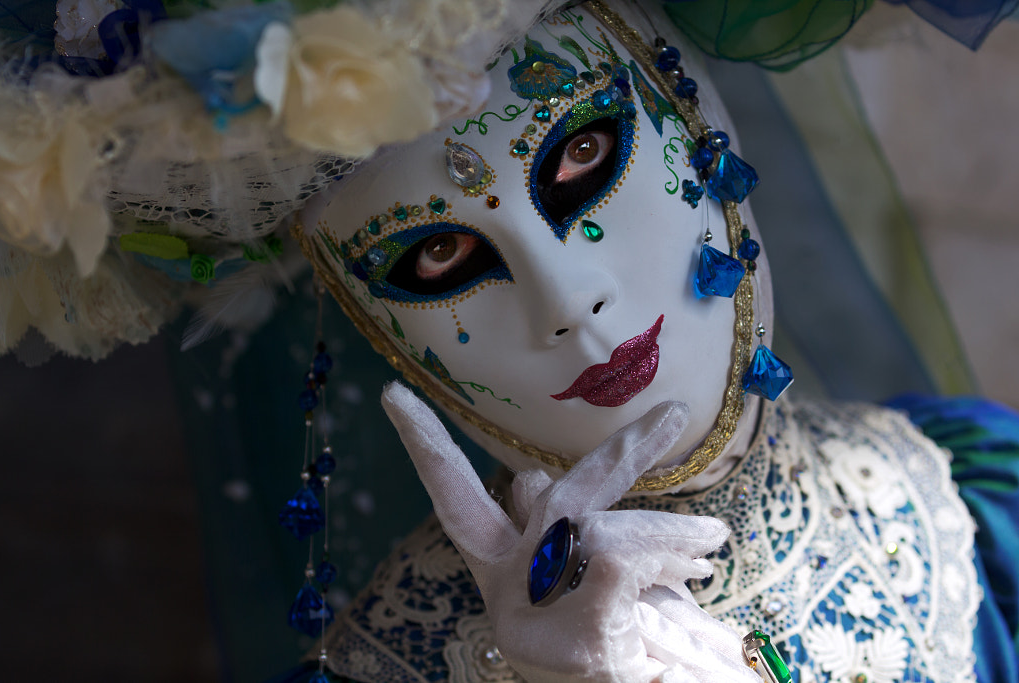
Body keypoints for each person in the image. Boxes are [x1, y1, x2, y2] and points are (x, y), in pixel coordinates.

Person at [290, 1, 1007, 680]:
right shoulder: (384, 658)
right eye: (439, 254)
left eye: (582, 151)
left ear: (701, 125)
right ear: (375, 323)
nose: (567, 299)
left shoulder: (971, 505)